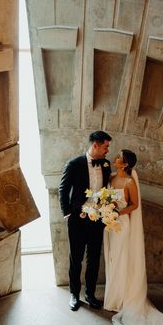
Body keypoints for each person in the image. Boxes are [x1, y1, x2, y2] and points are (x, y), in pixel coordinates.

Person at [104, 149, 163, 325]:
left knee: (122, 258)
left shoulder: (130, 182)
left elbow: (134, 205)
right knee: (113, 258)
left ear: (126, 163)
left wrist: (117, 213)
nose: (116, 157)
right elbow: (107, 197)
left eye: (119, 157)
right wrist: (106, 210)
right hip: (111, 224)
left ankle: (124, 298)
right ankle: (115, 297)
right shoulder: (112, 178)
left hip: (122, 223)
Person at [59, 130, 112, 311]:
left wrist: (106, 212)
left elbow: (106, 189)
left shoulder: (106, 164)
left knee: (94, 259)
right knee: (76, 258)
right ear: (95, 145)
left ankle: (90, 294)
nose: (107, 151)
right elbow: (63, 189)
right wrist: (67, 213)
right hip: (78, 220)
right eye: (105, 147)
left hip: (97, 218)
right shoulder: (74, 164)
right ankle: (74, 294)